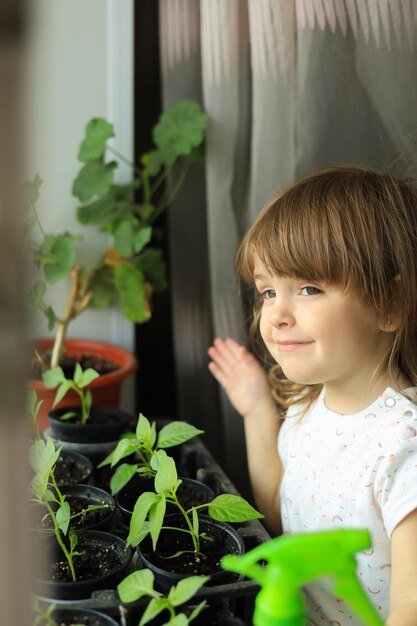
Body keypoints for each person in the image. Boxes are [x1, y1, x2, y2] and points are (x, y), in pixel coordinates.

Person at [208, 166, 417, 626]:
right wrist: (257, 410)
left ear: (390, 304)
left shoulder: (402, 446)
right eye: (267, 291)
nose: (276, 314)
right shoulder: (307, 408)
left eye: (308, 288)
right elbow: (279, 520)